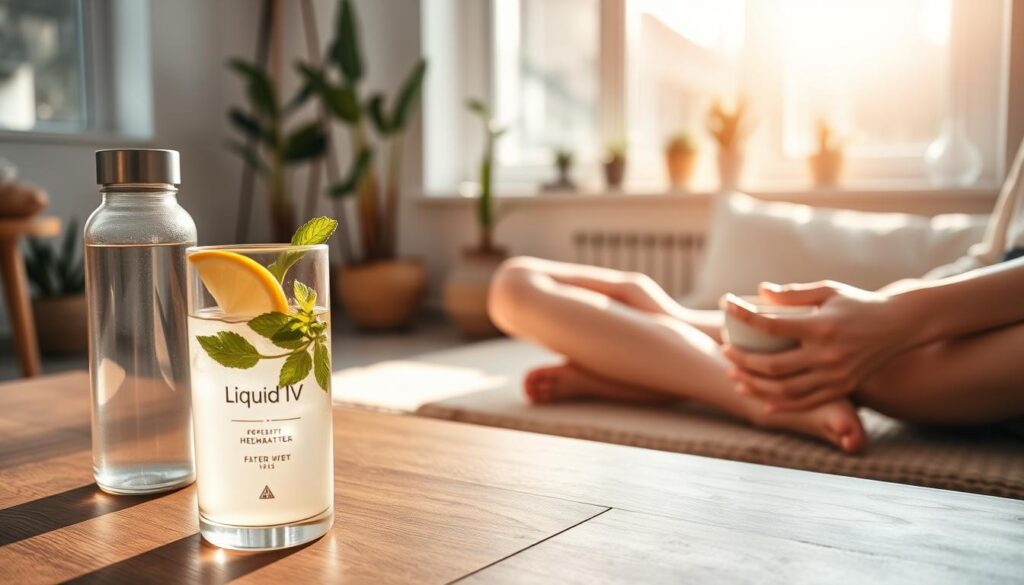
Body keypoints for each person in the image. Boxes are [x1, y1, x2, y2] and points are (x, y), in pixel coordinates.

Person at [487, 142, 1024, 454]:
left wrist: (898, 319)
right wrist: (892, 311)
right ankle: (681, 361)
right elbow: (986, 258)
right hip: (959, 299)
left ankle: (746, 396)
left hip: (963, 331)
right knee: (514, 286)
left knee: (827, 359)